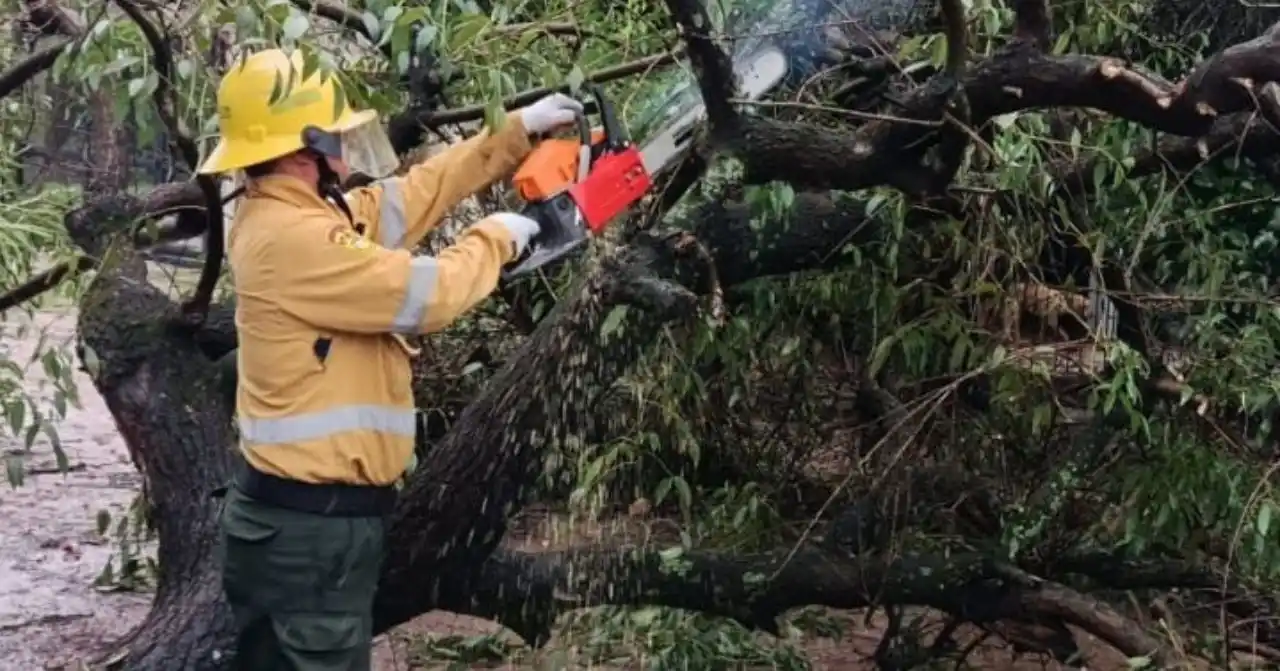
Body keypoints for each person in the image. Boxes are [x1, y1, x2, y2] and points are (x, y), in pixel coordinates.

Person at [196, 47, 583, 670]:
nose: (350, 147)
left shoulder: (300, 213)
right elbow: (426, 296)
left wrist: (510, 135)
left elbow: (402, 199)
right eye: (340, 135)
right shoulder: (291, 240)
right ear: (307, 145)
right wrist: (498, 238)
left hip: (299, 525)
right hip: (309, 535)